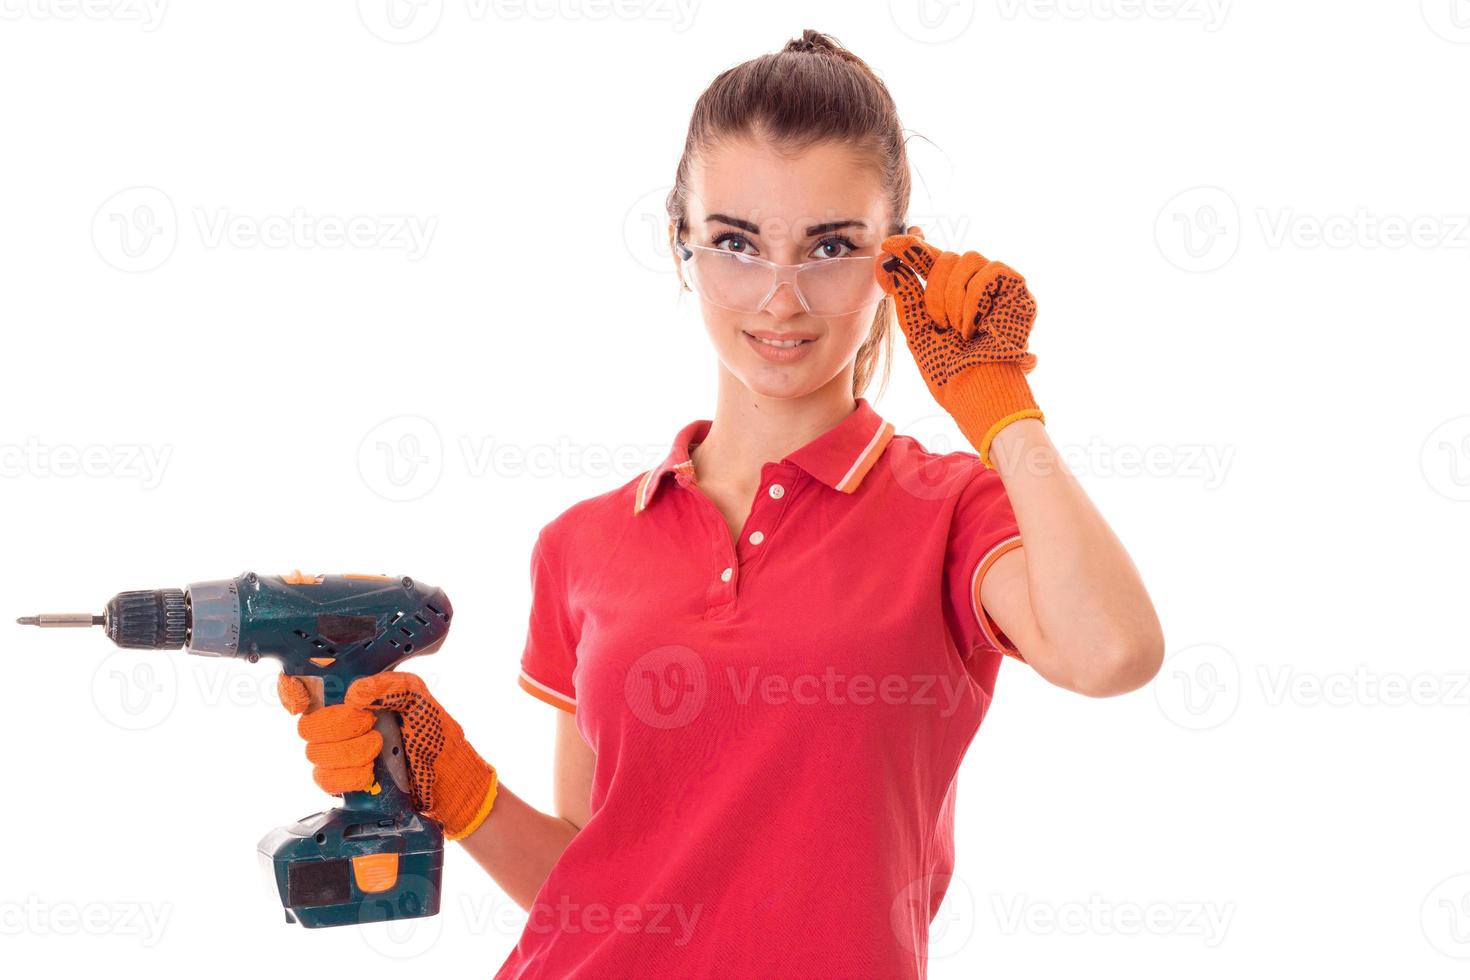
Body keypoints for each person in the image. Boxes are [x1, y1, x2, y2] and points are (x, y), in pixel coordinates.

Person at [280, 28, 1164, 978]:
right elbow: (595, 884)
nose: (781, 299)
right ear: (682, 246)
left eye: (831, 247)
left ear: (894, 265)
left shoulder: (951, 511)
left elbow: (1112, 651)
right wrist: (459, 789)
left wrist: (1001, 406)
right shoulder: (582, 543)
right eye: (737, 243)